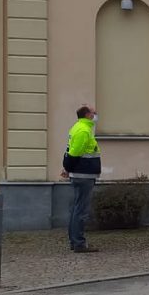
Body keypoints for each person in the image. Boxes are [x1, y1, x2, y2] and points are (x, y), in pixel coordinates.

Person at [61, 105, 102, 252]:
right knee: (81, 210)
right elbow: (74, 153)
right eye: (93, 112)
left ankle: (75, 241)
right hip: (84, 175)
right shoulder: (84, 130)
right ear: (87, 115)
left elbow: (70, 151)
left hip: (80, 174)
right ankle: (79, 243)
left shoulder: (77, 128)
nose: (95, 115)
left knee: (76, 209)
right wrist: (68, 167)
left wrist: (67, 168)